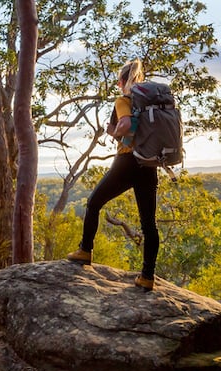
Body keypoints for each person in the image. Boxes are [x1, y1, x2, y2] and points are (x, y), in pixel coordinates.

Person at [67, 59, 159, 291]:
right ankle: (147, 276)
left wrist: (115, 132)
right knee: (149, 224)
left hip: (127, 161)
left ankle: (85, 250)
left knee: (93, 202)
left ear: (121, 81)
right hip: (148, 164)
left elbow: (126, 125)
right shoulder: (148, 104)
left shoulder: (123, 100)